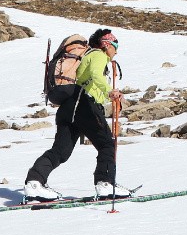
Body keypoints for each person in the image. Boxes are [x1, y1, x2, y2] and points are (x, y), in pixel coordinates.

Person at [23, 27, 131, 202]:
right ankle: (105, 184)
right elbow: (96, 75)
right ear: (106, 44)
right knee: (107, 145)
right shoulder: (98, 55)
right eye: (115, 44)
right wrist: (110, 91)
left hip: (69, 107)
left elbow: (89, 78)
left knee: (60, 151)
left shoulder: (89, 57)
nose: (116, 50)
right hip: (84, 105)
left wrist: (105, 95)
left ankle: (35, 182)